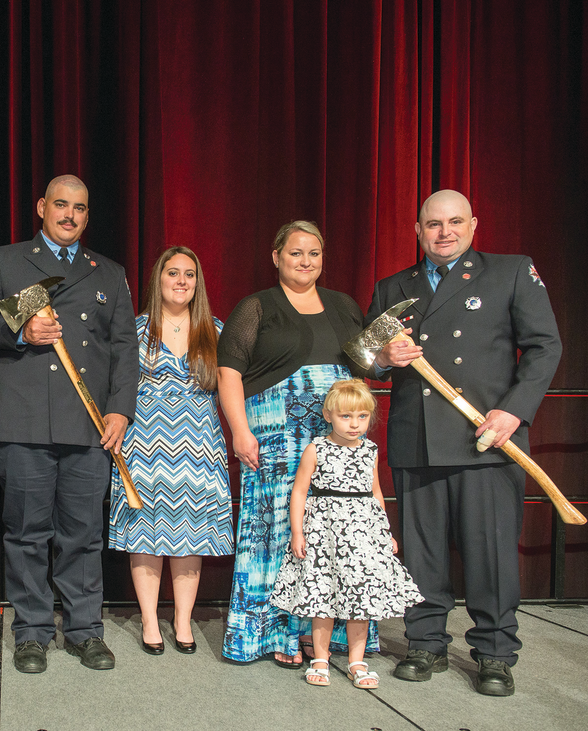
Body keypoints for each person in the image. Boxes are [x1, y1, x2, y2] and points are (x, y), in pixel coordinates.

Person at [367, 189, 561, 696]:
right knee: (422, 552)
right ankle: (424, 641)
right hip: (418, 438)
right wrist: (384, 357)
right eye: (433, 224)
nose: (444, 232)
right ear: (417, 229)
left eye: (455, 222)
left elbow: (545, 346)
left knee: (490, 552)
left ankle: (495, 653)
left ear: (474, 225)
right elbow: (362, 359)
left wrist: (514, 410)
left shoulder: (511, 272)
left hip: (487, 437)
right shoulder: (394, 287)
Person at [0, 174, 138, 673]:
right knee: (27, 534)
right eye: (61, 204)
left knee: (83, 535)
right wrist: (20, 327)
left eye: (79, 208)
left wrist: (121, 409)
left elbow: (125, 349)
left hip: (89, 426)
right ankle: (32, 632)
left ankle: (84, 632)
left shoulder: (108, 272)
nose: (69, 215)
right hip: (23, 424)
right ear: (41, 206)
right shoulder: (4, 260)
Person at [218, 220, 378, 667]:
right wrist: (239, 429)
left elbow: (367, 365)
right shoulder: (255, 307)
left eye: (314, 254)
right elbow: (228, 372)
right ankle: (278, 634)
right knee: (278, 532)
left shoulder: (343, 305)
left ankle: (325, 637)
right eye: (295, 253)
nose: (305, 261)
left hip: (336, 441)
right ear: (276, 256)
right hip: (274, 440)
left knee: (332, 535)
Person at [108, 246, 232, 655]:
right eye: (173, 273)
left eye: (189, 274)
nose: (181, 281)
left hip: (200, 445)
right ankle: (148, 620)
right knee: (147, 534)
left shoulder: (216, 329)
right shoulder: (134, 328)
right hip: (144, 441)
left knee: (191, 537)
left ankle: (182, 621)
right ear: (158, 281)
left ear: (198, 283)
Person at [270, 379, 423, 689]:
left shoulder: (371, 450)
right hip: (323, 535)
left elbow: (376, 493)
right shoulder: (317, 448)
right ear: (328, 415)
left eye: (362, 417)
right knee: (321, 598)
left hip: (362, 536)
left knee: (360, 600)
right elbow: (299, 492)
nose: (355, 424)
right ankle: (321, 659)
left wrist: (385, 533)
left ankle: (357, 661)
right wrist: (298, 533)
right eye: (346, 416)